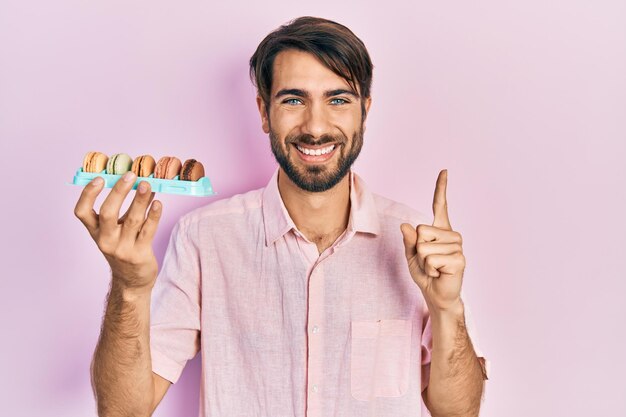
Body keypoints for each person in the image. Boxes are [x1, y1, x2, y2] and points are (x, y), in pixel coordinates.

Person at [74, 16, 488, 417]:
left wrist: (447, 307)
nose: (315, 126)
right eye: (293, 100)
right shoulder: (205, 238)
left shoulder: (418, 243)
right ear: (263, 111)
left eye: (338, 100)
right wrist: (129, 287)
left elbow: (458, 412)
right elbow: (122, 410)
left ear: (365, 109)